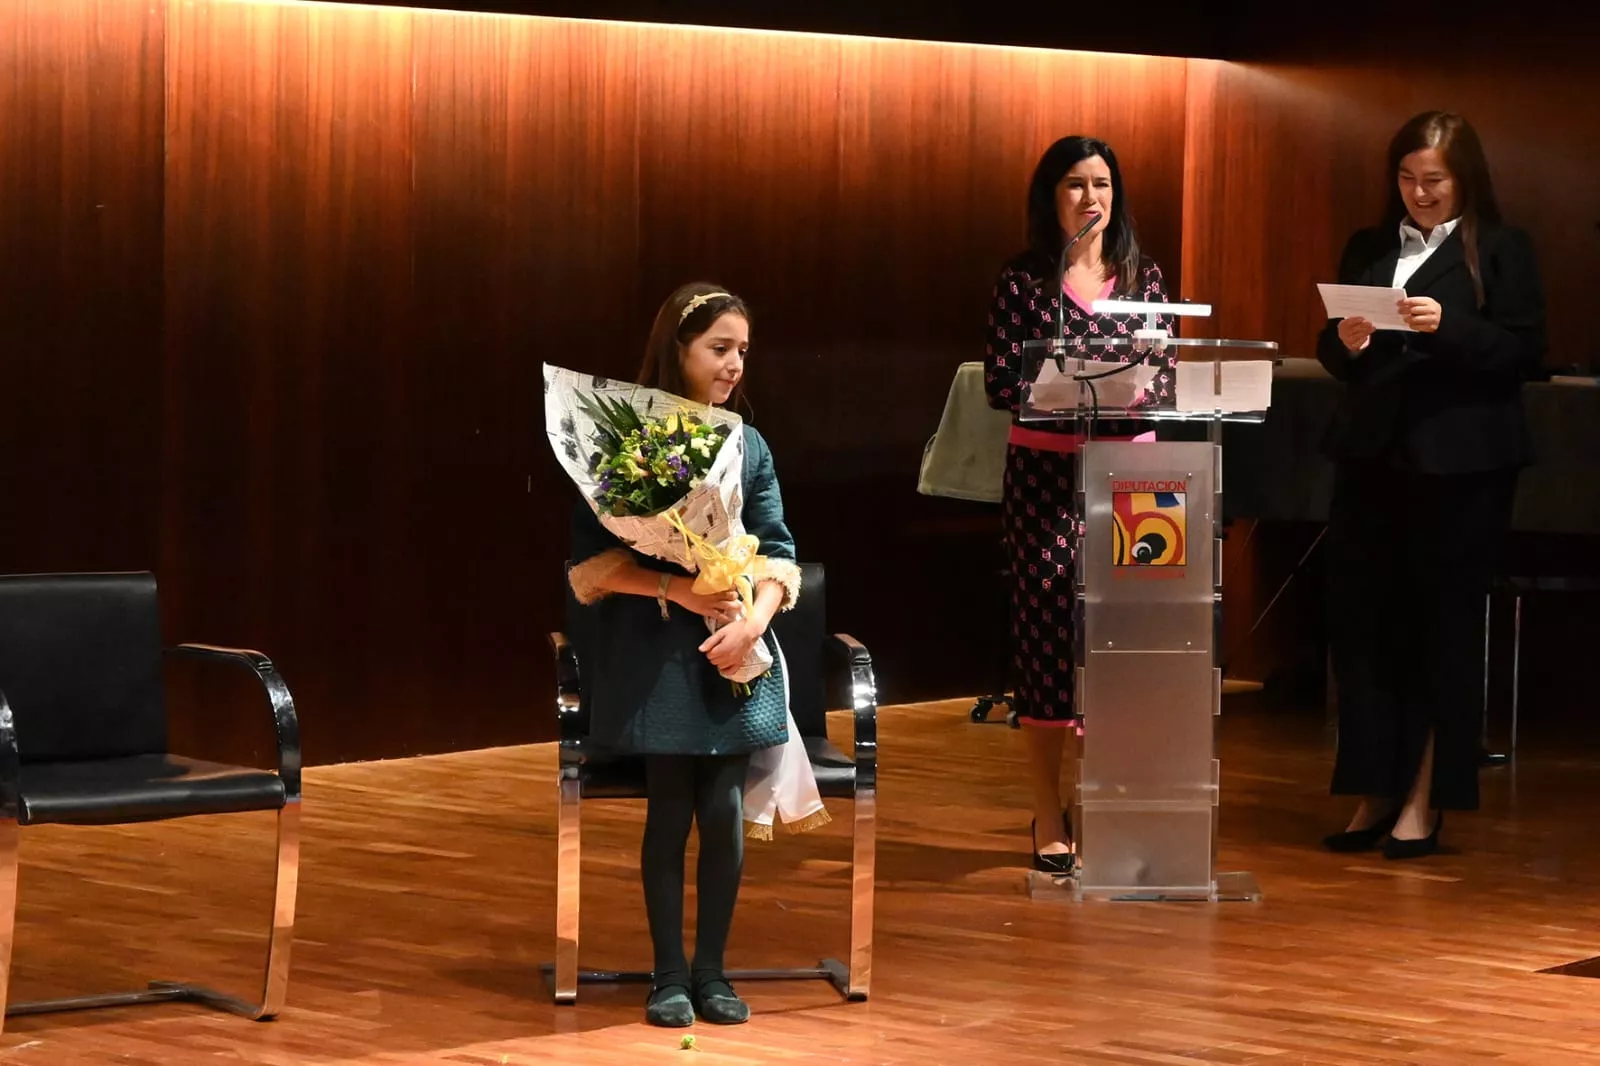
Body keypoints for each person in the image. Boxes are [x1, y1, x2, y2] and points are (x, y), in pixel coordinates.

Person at [566, 283, 806, 1026]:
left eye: (741, 351)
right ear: (679, 350)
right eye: (719, 349)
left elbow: (779, 554)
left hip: (732, 645)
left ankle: (714, 972)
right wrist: (681, 590)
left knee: (725, 808)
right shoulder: (630, 440)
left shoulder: (748, 442)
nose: (734, 364)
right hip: (660, 650)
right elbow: (593, 567)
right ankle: (668, 974)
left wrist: (753, 621)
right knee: (670, 810)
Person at [1317, 111, 1546, 859]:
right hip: (1373, 462)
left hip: (1461, 469)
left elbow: (1524, 353)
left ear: (1464, 179)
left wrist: (1447, 325)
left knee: (1439, 633)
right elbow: (1335, 349)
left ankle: (1424, 797)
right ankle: (1373, 790)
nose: (1420, 192)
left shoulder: (1502, 250)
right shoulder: (1370, 246)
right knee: (1364, 631)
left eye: (1435, 180)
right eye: (1409, 179)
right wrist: (1344, 341)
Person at [983, 136, 1176, 872]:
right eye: (1074, 186)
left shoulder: (1144, 277)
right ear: (1050, 197)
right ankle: (1045, 808)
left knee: (1125, 641)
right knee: (1045, 641)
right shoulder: (1023, 280)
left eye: (1102, 185)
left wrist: (1104, 380)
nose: (1091, 199)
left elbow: (1163, 374)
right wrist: (1074, 377)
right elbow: (1004, 381)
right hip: (1045, 479)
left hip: (1136, 482)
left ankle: (1117, 804)